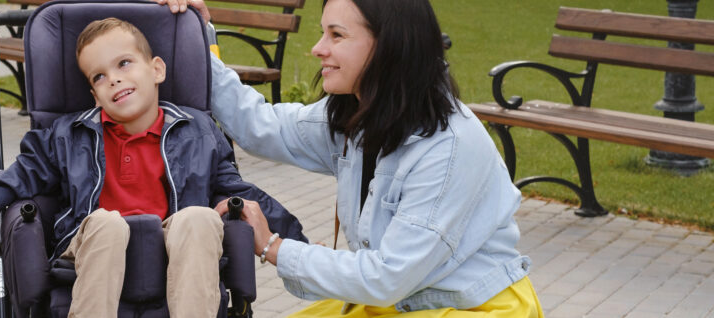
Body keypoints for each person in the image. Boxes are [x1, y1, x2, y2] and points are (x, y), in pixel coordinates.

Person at [159, 0, 544, 316]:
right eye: (323, 32)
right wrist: (194, 35)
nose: (318, 48)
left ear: (389, 45)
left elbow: (388, 277)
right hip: (399, 300)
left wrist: (273, 246)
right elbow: (261, 126)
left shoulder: (449, 147)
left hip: (469, 307)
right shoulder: (361, 115)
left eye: (337, 35)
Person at [0, 18, 305, 318]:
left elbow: (241, 193)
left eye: (124, 63)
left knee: (200, 218)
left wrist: (297, 245)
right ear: (95, 96)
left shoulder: (197, 131)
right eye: (98, 76)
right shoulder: (69, 136)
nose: (112, 78)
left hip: (172, 244)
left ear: (157, 69)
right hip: (93, 243)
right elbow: (20, 175)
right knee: (107, 223)